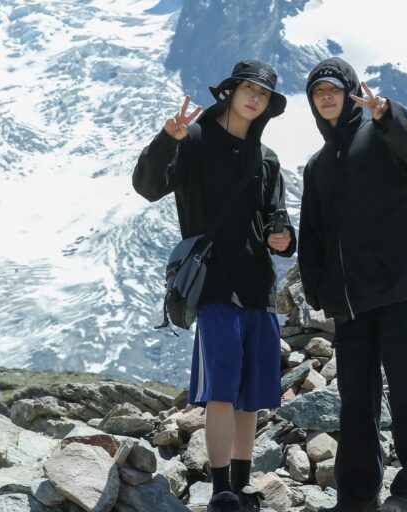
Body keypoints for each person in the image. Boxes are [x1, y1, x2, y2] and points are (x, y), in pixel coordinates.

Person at [132, 60, 296, 512]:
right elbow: (147, 186)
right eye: (248, 89)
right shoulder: (195, 140)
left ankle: (242, 486)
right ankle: (221, 488)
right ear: (230, 91)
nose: (255, 98)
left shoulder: (267, 158)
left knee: (251, 396)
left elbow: (278, 219)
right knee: (221, 389)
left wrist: (284, 238)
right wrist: (167, 140)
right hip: (214, 285)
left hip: (259, 286)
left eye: (263, 94)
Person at [297, 57, 407, 512]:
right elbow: (314, 234)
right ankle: (356, 498)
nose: (326, 97)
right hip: (350, 303)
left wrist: (388, 115)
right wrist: (318, 290)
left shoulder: (384, 137)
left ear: (350, 93)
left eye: (333, 89)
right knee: (356, 404)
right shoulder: (318, 165)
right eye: (317, 92)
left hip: (399, 291)